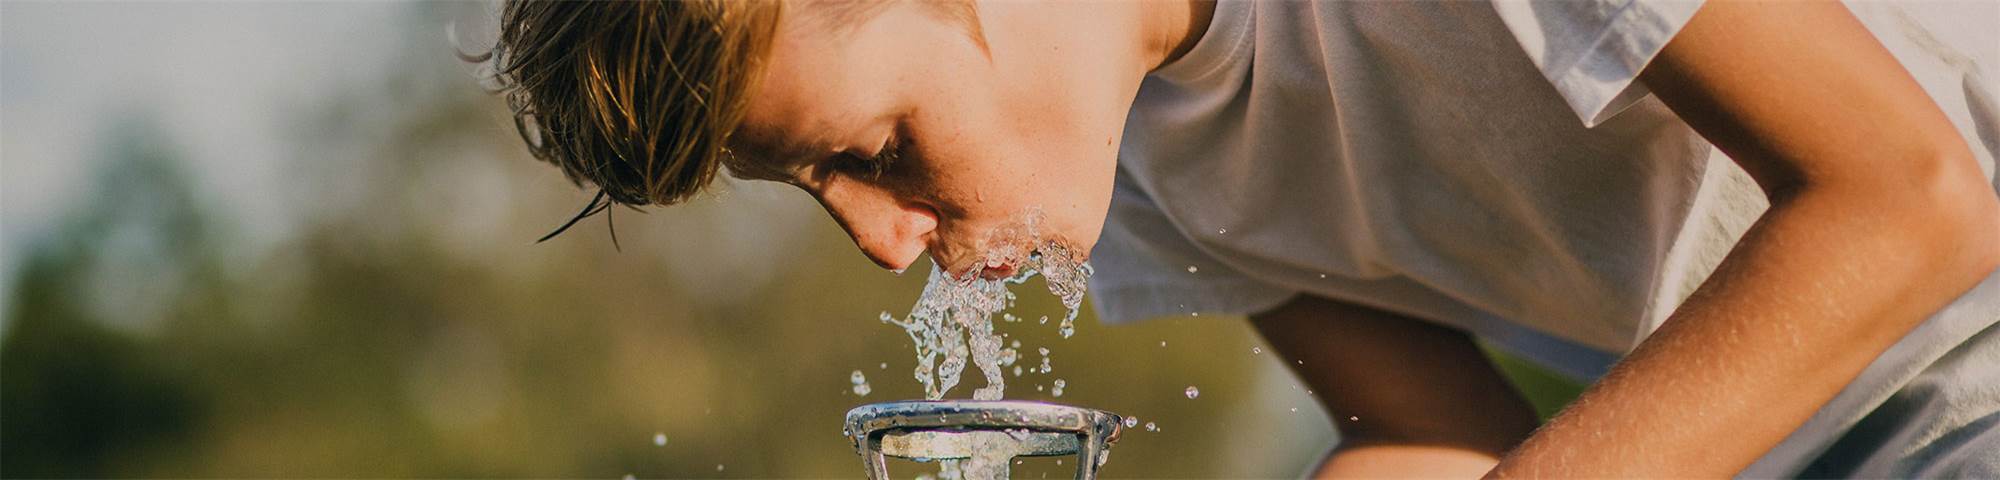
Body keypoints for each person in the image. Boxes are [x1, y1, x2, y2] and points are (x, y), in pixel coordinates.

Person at [476, 0, 2000, 476]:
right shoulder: (1134, 165)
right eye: (817, 193)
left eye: (870, 152)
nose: (880, 240)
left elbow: (1914, 200)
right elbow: (1445, 441)